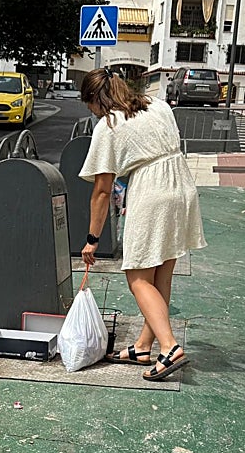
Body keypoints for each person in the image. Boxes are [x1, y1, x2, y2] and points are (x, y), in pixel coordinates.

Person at [78, 68, 206, 382]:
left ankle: (170, 346)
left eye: (89, 106)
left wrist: (92, 238)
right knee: (161, 273)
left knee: (137, 276)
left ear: (97, 100)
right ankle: (142, 347)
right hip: (182, 188)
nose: (92, 113)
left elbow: (103, 190)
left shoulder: (108, 125)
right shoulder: (158, 105)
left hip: (152, 193)